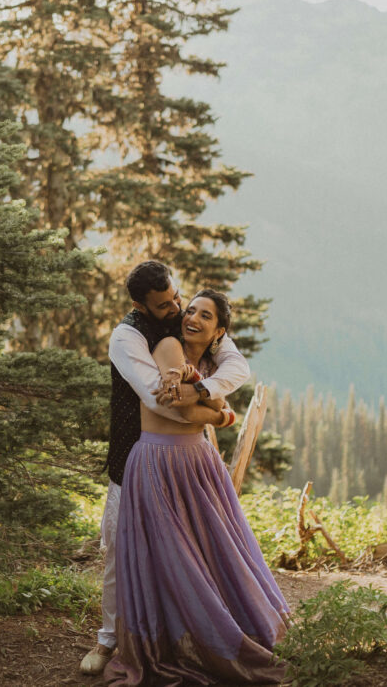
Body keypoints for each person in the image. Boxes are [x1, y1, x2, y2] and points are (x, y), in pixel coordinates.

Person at [105, 288, 290, 686]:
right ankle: (178, 641)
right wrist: (221, 414)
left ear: (219, 330)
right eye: (190, 310)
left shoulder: (211, 361)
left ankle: (223, 629)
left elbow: (197, 402)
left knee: (215, 551)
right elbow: (180, 408)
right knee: (173, 557)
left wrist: (206, 402)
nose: (193, 318)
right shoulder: (170, 345)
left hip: (197, 461)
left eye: (205, 316)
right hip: (158, 461)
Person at [80, 262, 251, 676]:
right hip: (134, 456)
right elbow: (158, 401)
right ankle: (109, 640)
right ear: (141, 305)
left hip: (185, 456)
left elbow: (238, 367)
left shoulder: (189, 318)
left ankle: (183, 634)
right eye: (166, 305)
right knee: (122, 549)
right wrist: (220, 417)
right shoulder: (126, 337)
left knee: (192, 547)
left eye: (177, 297)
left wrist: (202, 388)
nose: (177, 308)